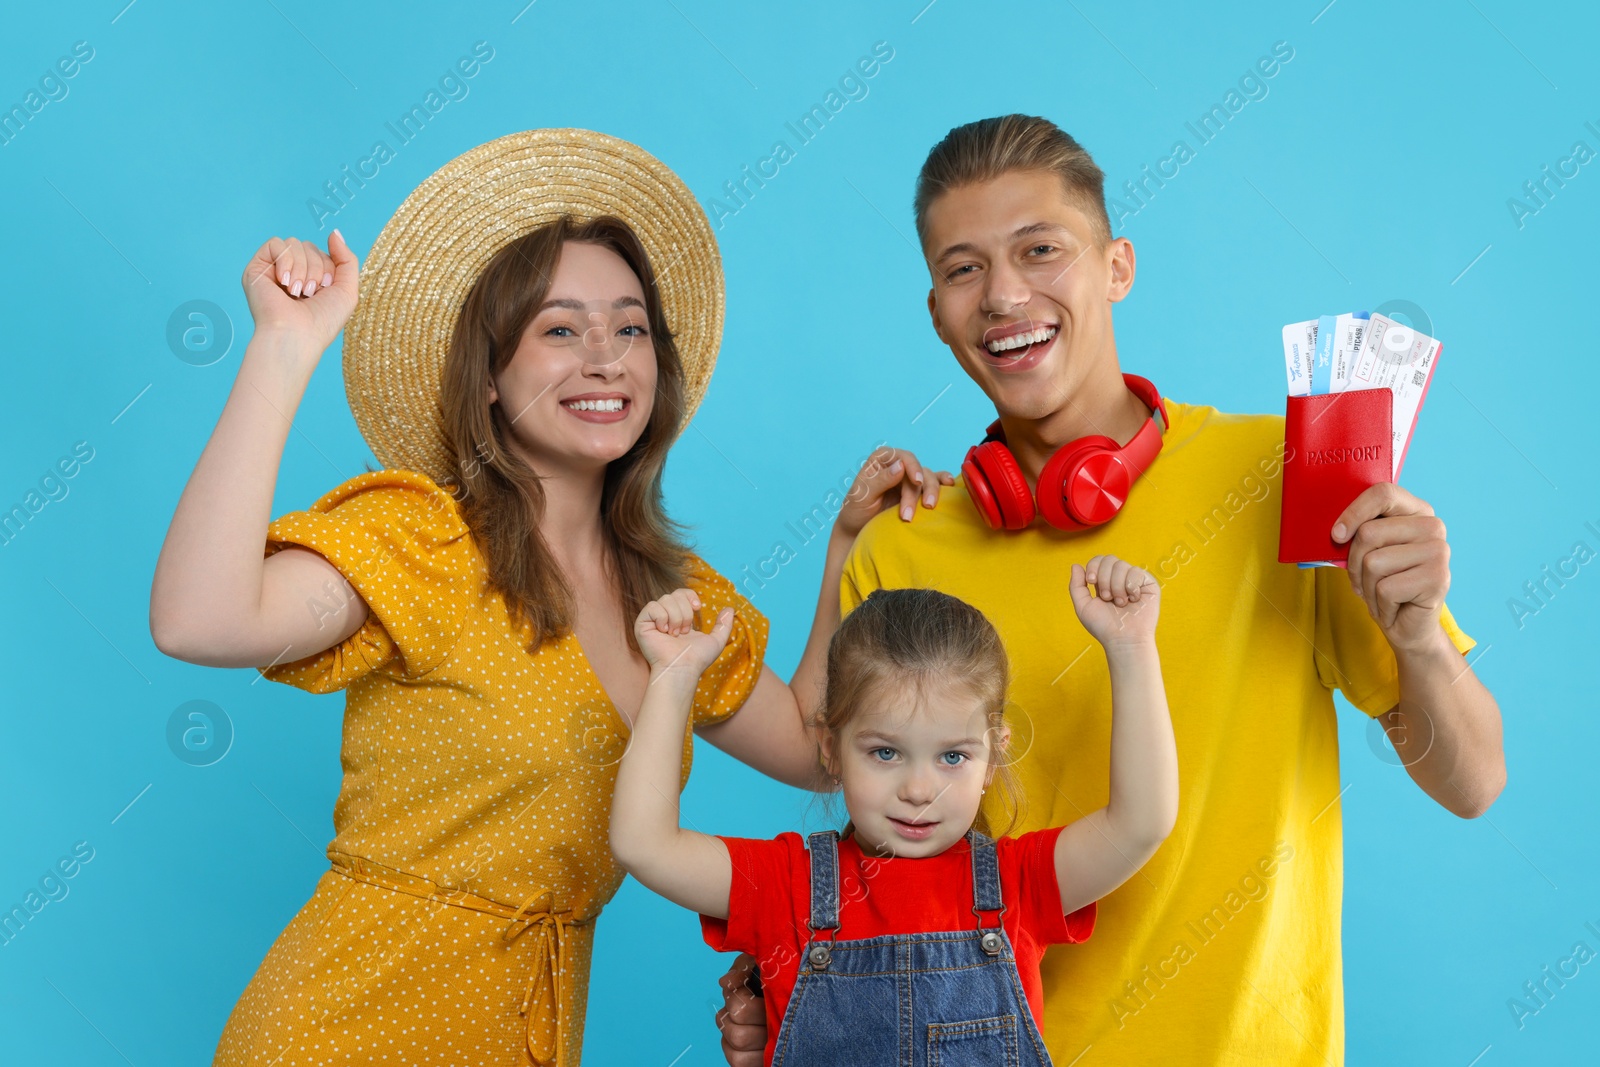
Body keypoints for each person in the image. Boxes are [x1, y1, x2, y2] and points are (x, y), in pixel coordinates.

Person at [148, 129, 953, 1067]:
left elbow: (821, 751)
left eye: (631, 327)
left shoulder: (674, 599)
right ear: (489, 377)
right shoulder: (427, 544)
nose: (606, 357)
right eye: (560, 329)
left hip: (530, 1033)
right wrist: (284, 349)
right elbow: (199, 620)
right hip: (348, 1026)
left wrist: (844, 544)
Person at [714, 114, 1505, 1065]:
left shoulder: (1287, 480)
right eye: (964, 268)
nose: (1006, 294)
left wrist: (1418, 639)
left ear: (1118, 265)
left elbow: (1473, 783)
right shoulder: (903, 544)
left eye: (1041, 250)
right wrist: (802, 987)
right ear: (936, 312)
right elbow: (881, 844)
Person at [613, 554, 1176, 1066]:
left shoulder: (1019, 883)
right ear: (831, 749)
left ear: (993, 756)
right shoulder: (787, 884)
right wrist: (674, 677)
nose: (919, 788)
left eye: (953, 756)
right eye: (885, 752)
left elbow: (1142, 821)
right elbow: (645, 844)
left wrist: (1131, 649)